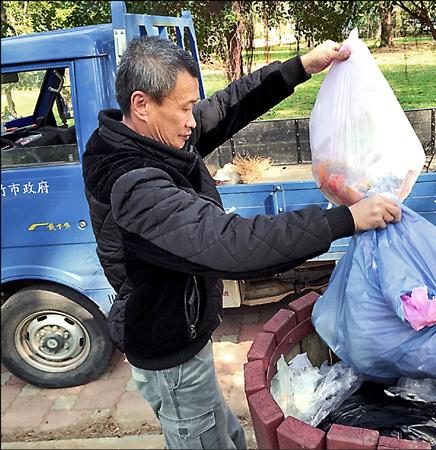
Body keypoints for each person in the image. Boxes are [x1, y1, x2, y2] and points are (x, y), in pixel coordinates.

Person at [82, 35, 401, 449]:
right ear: (141, 103)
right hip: (168, 346)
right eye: (183, 109)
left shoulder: (144, 136)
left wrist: (300, 67)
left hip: (184, 331)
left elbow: (225, 108)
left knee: (226, 432)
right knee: (200, 438)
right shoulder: (135, 184)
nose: (192, 121)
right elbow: (234, 245)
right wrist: (344, 220)